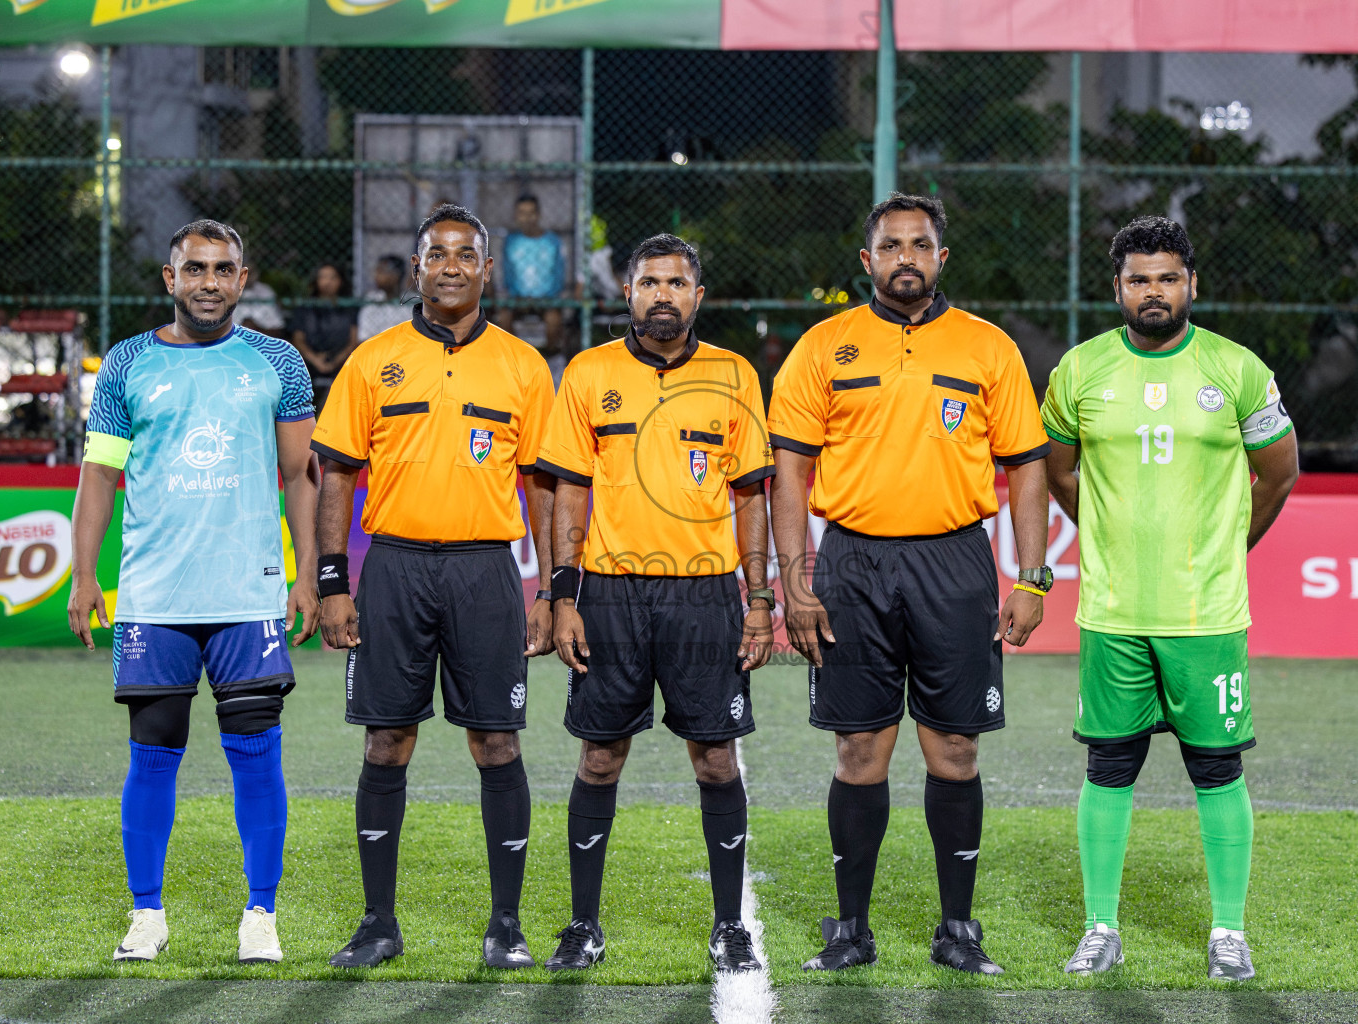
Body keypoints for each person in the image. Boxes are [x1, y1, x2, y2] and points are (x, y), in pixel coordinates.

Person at [767, 193, 1053, 975]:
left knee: (955, 749)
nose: (905, 257)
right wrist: (795, 582)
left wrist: (1031, 577)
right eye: (890, 245)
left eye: (919, 245)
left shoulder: (987, 348)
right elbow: (787, 473)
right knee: (859, 748)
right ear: (867, 261)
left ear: (940, 258)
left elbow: (1027, 466)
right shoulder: (823, 347)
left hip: (955, 562)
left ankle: (957, 929)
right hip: (852, 561)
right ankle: (850, 928)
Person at [1042, 216, 1298, 981]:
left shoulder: (1237, 368)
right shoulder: (1080, 370)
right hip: (1114, 613)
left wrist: (1227, 548)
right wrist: (1110, 537)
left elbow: (1279, 473)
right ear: (1116, 288)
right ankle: (1100, 927)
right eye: (1138, 279)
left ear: (1192, 283)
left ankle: (1228, 931)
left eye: (1168, 277)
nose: (1154, 291)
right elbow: (1060, 473)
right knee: (1108, 768)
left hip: (1206, 616)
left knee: (1217, 770)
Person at [67, 219, 320, 966]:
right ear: (169, 279)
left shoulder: (277, 361)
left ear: (243, 281)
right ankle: (147, 914)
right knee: (151, 757)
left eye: (224, 269)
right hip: (156, 599)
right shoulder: (126, 364)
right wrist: (86, 575)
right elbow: (101, 476)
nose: (209, 282)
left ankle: (261, 913)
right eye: (194, 268)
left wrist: (309, 573)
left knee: (256, 754)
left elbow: (301, 476)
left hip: (248, 595)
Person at [311, 203, 556, 971]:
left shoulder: (522, 366)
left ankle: (506, 926)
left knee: (496, 741)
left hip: (487, 571)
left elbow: (544, 487)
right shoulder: (371, 359)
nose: (450, 265)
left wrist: (553, 589)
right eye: (436, 254)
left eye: (465, 254)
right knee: (387, 739)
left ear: (487, 268)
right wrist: (331, 580)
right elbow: (336, 474)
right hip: (393, 568)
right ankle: (377, 923)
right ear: (415, 268)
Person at [534, 233, 775, 974]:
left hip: (705, 595)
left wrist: (759, 598)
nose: (661, 295)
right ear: (627, 293)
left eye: (676, 283)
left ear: (698, 297)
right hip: (609, 595)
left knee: (714, 759)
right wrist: (562, 595)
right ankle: (583, 926)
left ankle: (730, 925)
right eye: (648, 282)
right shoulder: (590, 372)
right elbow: (567, 490)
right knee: (600, 758)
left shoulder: (735, 375)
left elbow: (750, 496)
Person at [493, 194, 569, 353]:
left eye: (531, 213)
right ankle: (517, 356)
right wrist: (515, 295)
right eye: (522, 213)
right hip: (518, 298)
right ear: (516, 216)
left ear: (538, 214)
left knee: (554, 320)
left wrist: (549, 296)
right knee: (503, 317)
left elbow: (559, 274)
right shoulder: (511, 241)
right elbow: (507, 273)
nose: (527, 218)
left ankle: (548, 357)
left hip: (547, 298)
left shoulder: (552, 241)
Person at [289, 263, 359, 412]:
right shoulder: (305, 308)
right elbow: (298, 340)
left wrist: (334, 361)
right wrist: (316, 360)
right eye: (323, 277)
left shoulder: (350, 308)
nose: (327, 282)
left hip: (341, 360)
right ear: (316, 281)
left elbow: (353, 342)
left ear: (341, 281)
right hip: (310, 360)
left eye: (333, 277)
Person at [358, 254, 412, 343]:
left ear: (395, 275)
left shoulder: (411, 301)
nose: (376, 276)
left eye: (381, 272)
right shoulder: (372, 300)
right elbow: (364, 336)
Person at [234, 264, 285, 337]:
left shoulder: (266, 292)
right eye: (242, 272)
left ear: (257, 274)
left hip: (261, 342)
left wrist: (256, 330)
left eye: (250, 272)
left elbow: (277, 329)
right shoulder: (227, 291)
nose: (247, 276)